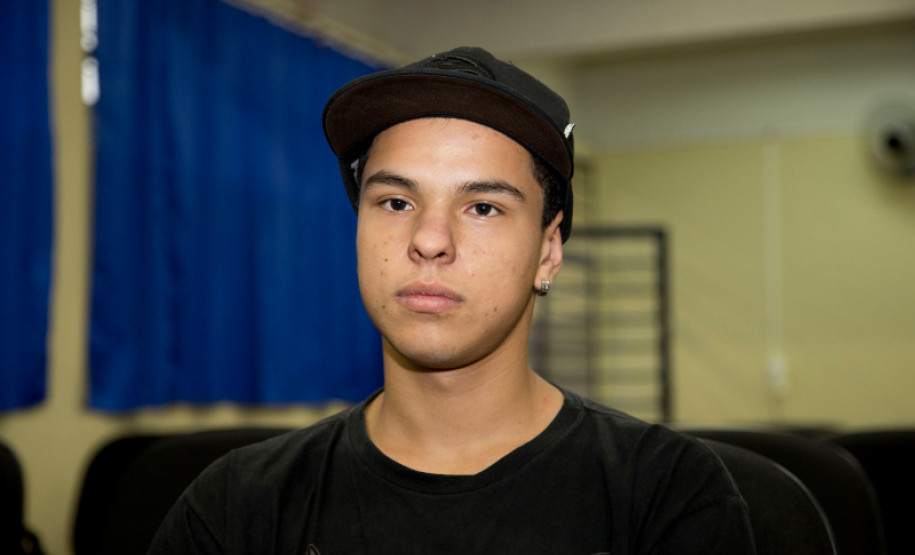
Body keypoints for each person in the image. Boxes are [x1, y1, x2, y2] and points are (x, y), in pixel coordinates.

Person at [149, 46, 755, 554]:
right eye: (395, 202)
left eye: (483, 207)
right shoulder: (238, 507)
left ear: (548, 251)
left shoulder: (664, 495)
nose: (430, 241)